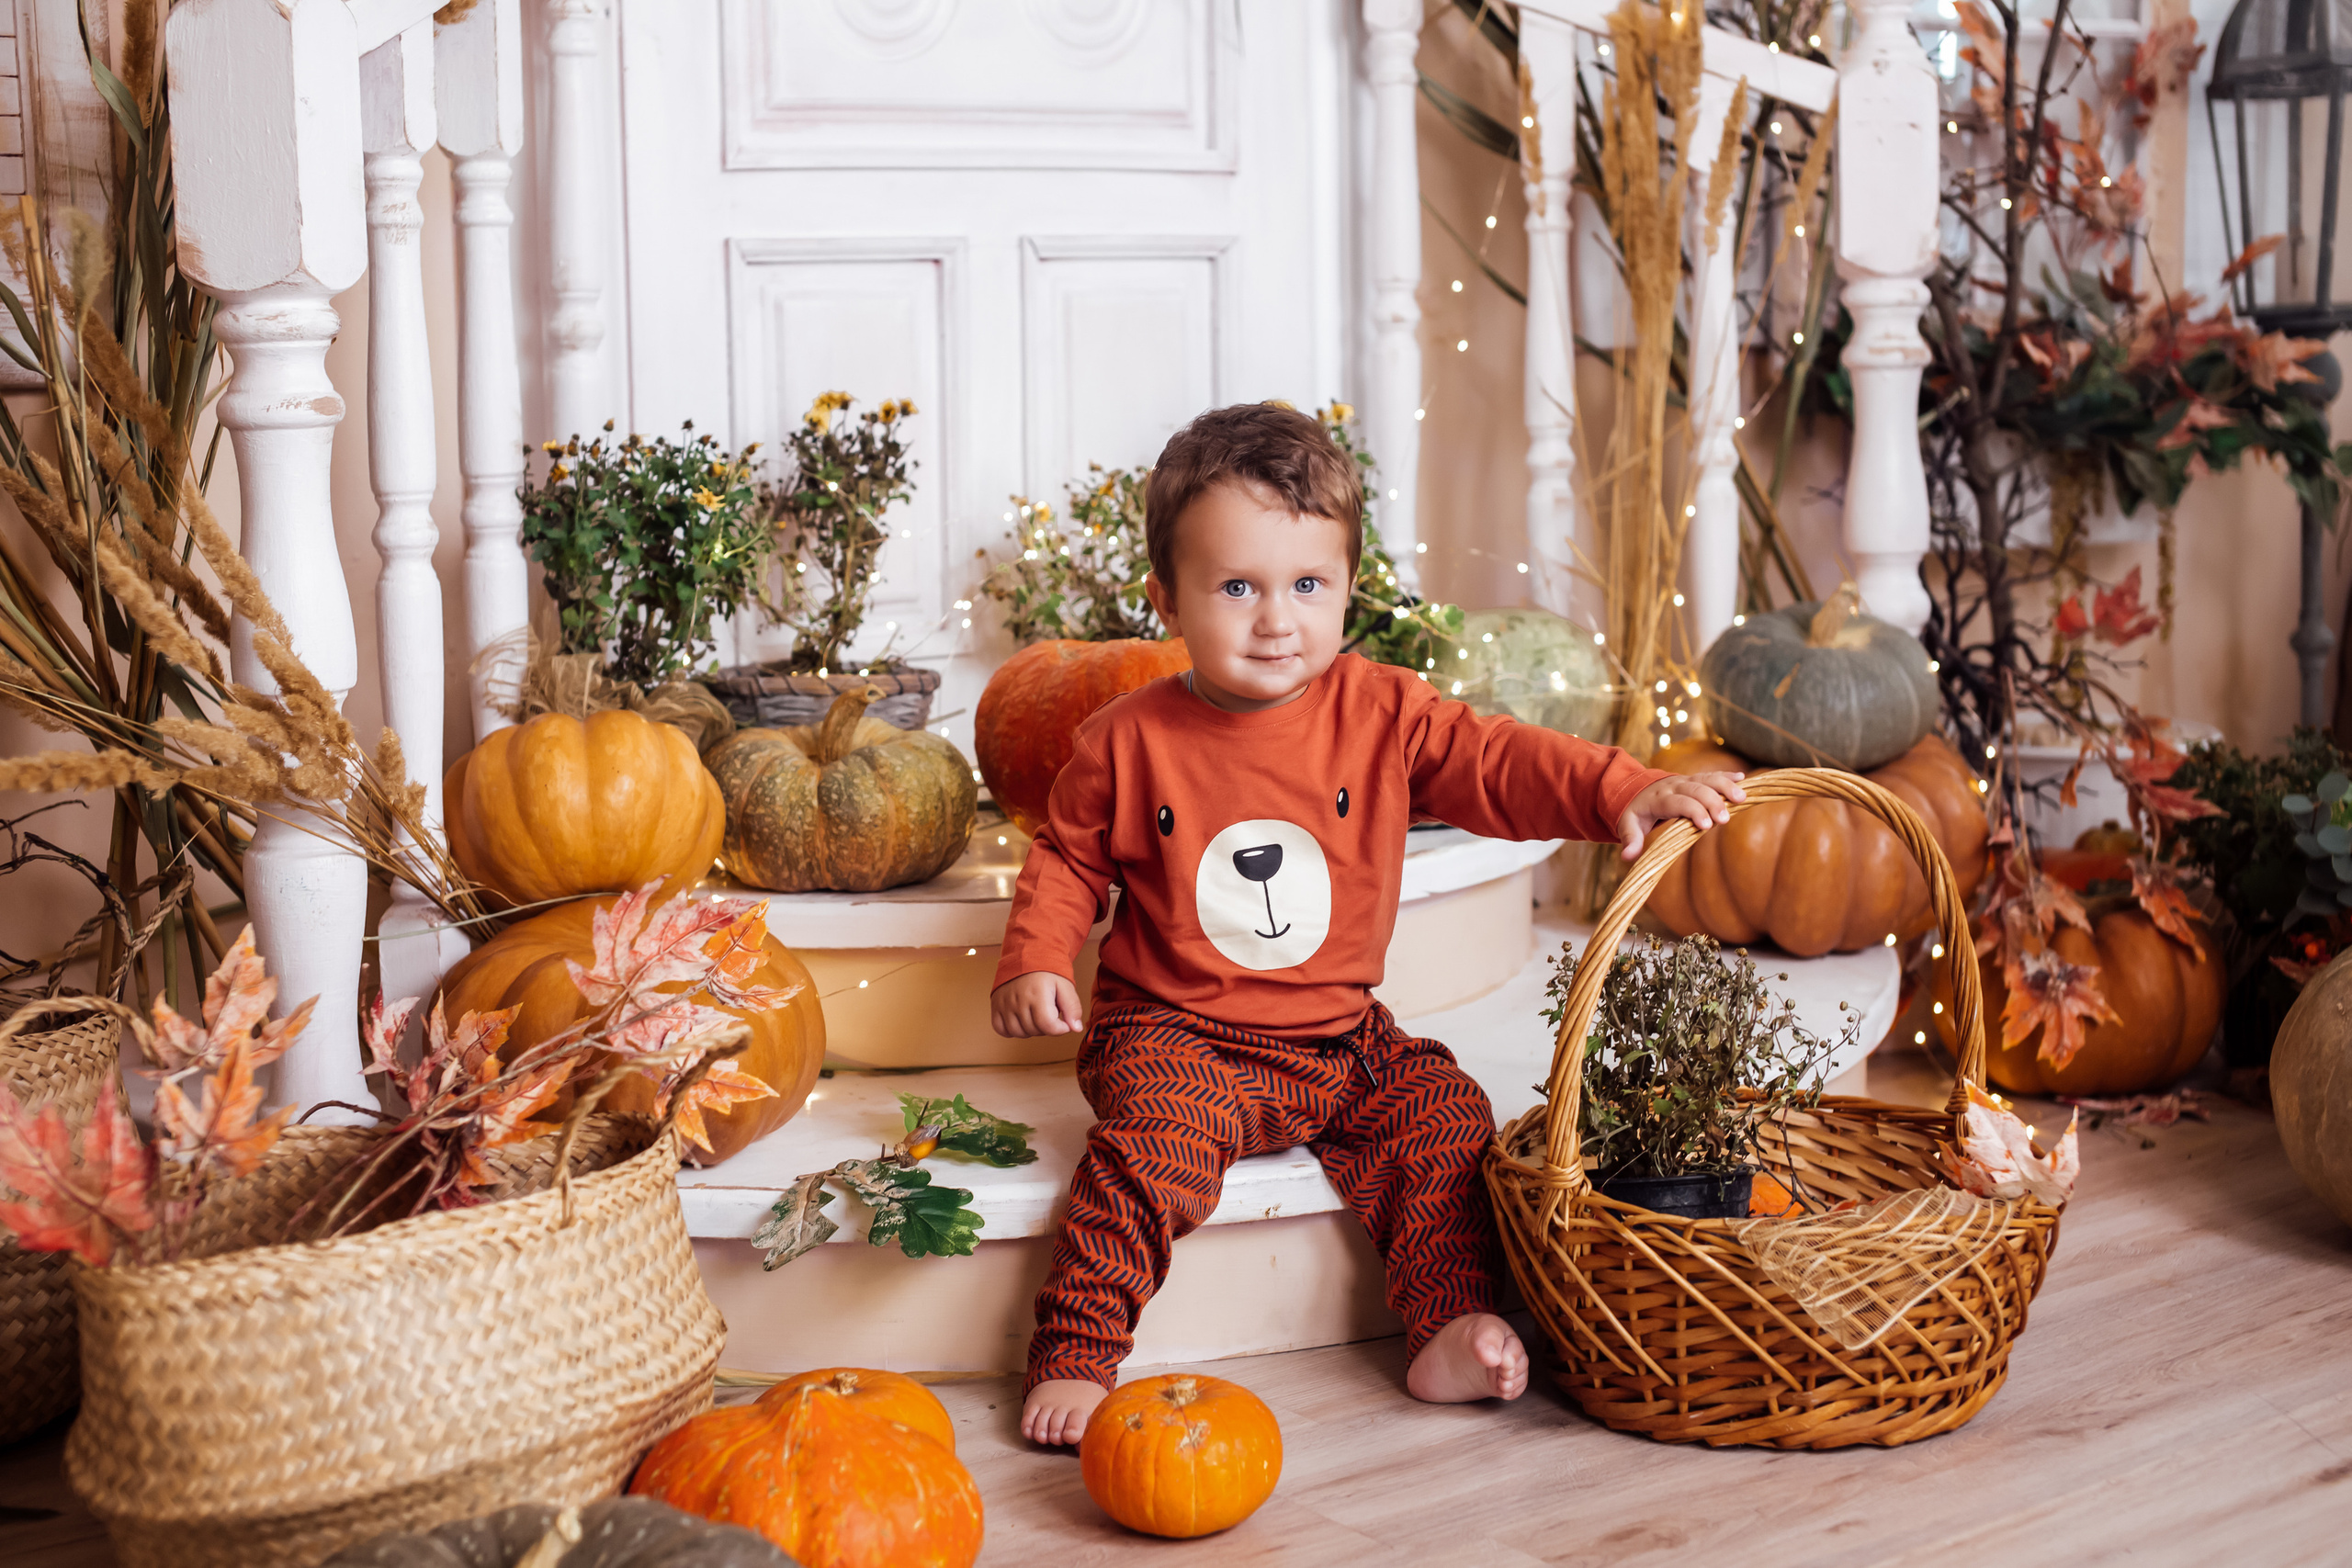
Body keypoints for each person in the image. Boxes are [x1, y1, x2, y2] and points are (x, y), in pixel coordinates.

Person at [990, 403, 1746, 1446]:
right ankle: (1077, 1349)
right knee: (1148, 1150)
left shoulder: (1383, 712)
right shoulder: (1126, 739)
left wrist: (1620, 788)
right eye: (1237, 587)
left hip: (1339, 1038)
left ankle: (1445, 1321)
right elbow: (1067, 857)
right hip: (1176, 1032)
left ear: (1349, 586)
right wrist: (1034, 956)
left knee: (1442, 1113)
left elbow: (1498, 762)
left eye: (1308, 585)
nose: (1275, 620)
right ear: (1166, 597)